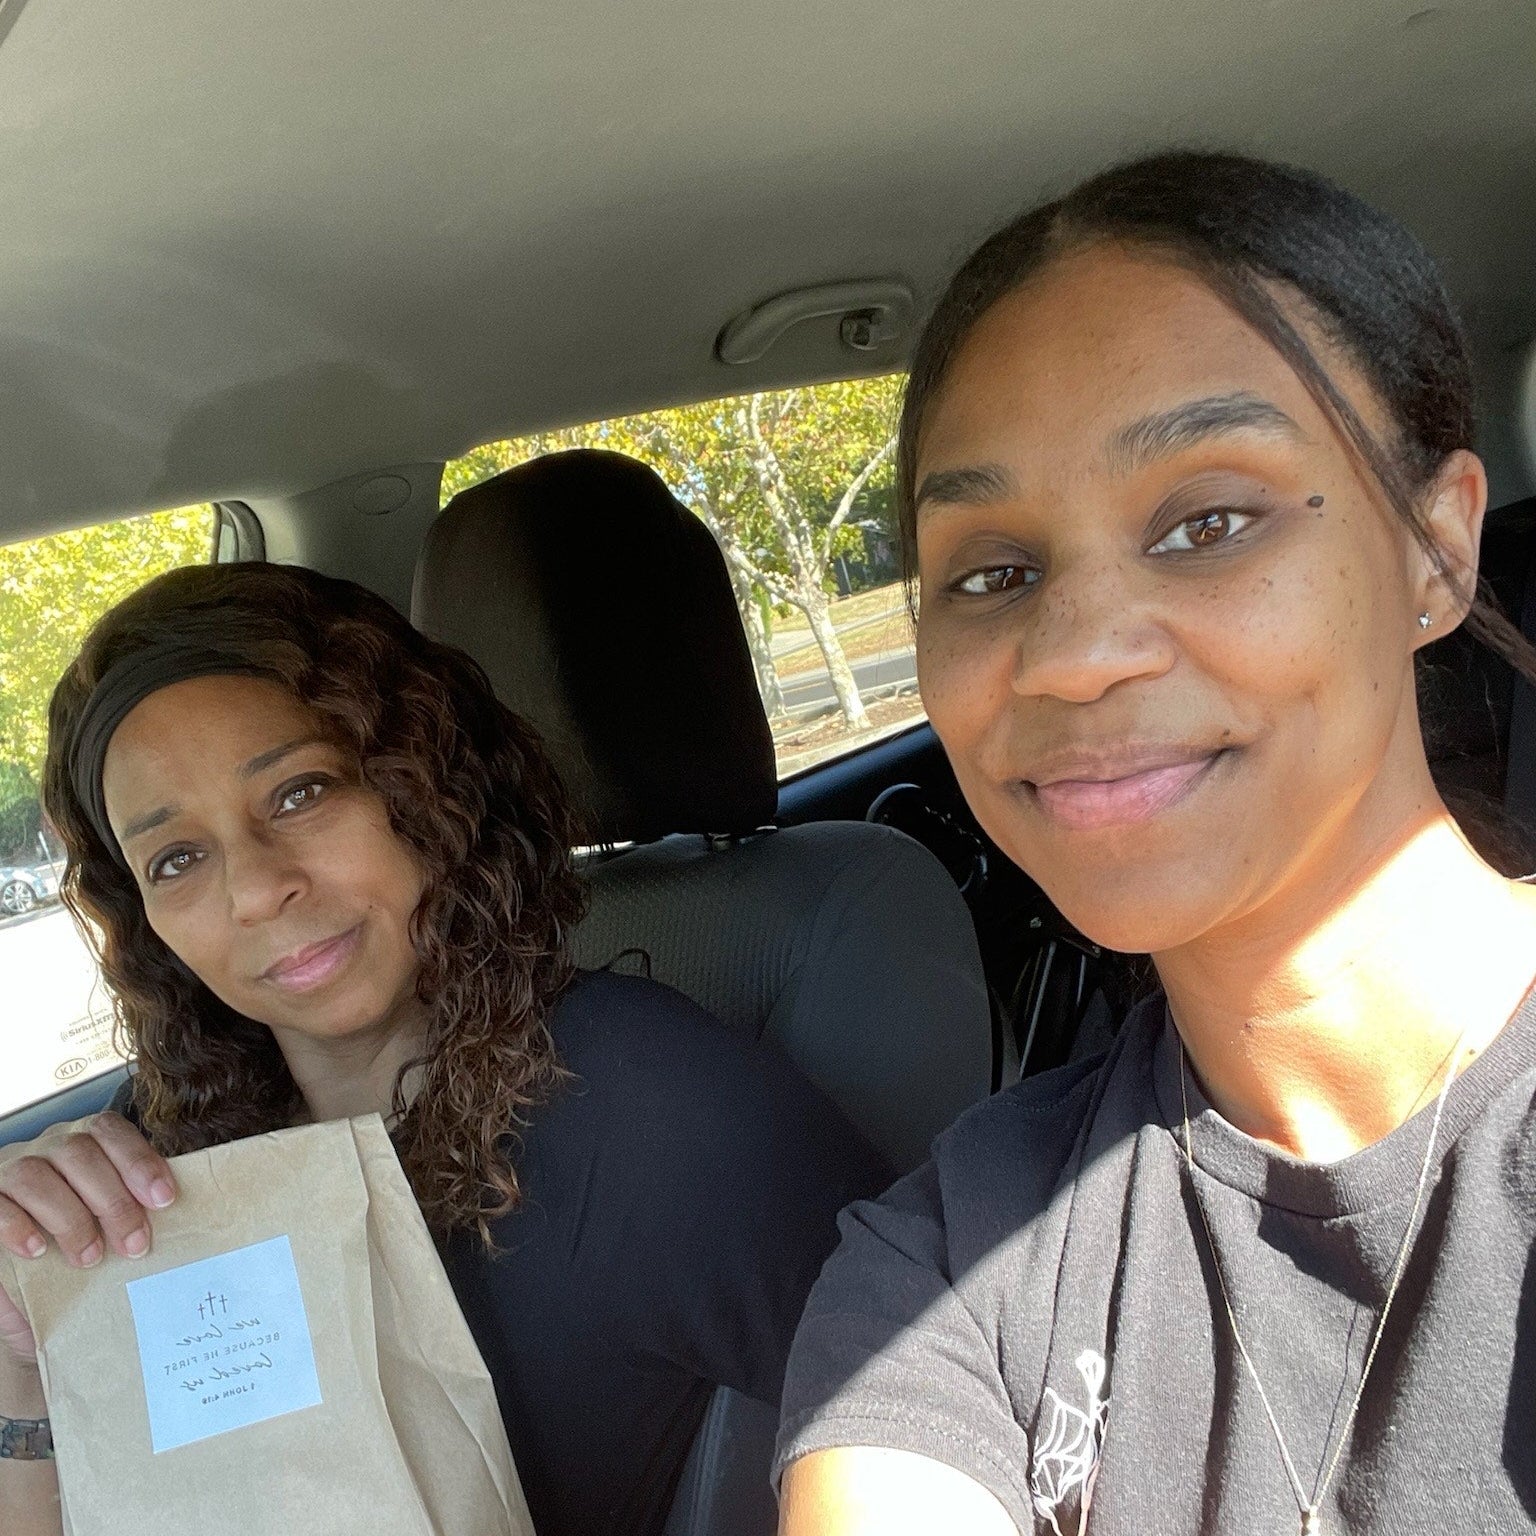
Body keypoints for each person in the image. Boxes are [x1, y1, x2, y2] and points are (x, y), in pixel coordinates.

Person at [775, 150, 1536, 1535]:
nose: (1071, 657)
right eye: (993, 573)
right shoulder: (948, 1264)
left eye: (1208, 520)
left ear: (1437, 549)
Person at [0, 562, 887, 1536]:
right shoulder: (144, 1168)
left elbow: (949, 1437)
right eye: (176, 858)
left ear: (422, 785)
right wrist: (20, 1353)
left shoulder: (653, 1110)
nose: (254, 891)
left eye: (300, 793)